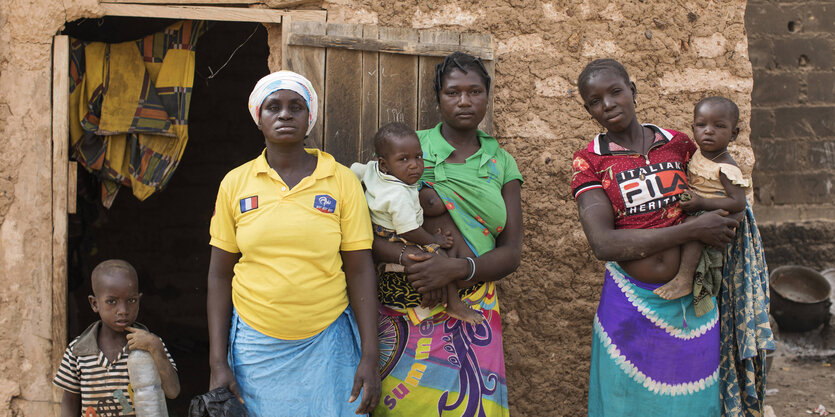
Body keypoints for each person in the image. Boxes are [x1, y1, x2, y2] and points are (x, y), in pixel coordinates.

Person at [570, 58, 740, 416]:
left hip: (693, 303)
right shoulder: (589, 161)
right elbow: (603, 244)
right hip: (629, 306)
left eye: (616, 92)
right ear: (589, 110)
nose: (609, 104)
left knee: (694, 403)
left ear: (632, 90)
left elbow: (719, 184)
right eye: (596, 101)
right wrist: (692, 229)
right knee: (624, 403)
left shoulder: (678, 145)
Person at [206, 70, 380, 416]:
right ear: (259, 117)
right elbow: (218, 275)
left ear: (309, 117)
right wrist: (217, 362)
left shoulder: (341, 181)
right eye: (274, 107)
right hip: (255, 349)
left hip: (328, 342)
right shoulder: (235, 183)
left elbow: (360, 270)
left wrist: (370, 357)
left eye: (296, 107)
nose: (285, 114)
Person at [371, 52, 523, 417]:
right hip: (408, 306)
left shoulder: (500, 161)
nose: (465, 101)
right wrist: (417, 260)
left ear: (488, 95)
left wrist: (456, 270)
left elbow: (512, 252)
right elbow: (369, 228)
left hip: (475, 303)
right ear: (438, 96)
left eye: (475, 91)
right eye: (453, 92)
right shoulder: (409, 150)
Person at [662, 97, 773, 416]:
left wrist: (699, 203)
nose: (708, 132)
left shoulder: (727, 166)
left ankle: (685, 279)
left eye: (719, 127)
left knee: (695, 233)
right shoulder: (698, 153)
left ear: (734, 133)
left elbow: (737, 202)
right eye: (701, 125)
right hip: (703, 210)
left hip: (721, 216)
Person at [350, 122, 483, 324]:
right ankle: (454, 304)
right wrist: (433, 240)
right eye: (403, 159)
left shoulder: (372, 170)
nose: (414, 165)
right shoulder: (398, 194)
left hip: (382, 229)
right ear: (384, 164)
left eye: (418, 157)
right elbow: (410, 231)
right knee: (437, 259)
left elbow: (354, 170)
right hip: (396, 235)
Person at [54, 259, 179, 417]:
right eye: (111, 301)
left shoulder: (150, 344)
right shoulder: (78, 350)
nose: (123, 310)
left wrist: (156, 348)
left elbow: (173, 391)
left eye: (131, 300)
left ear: (139, 301)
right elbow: (70, 400)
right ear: (94, 304)